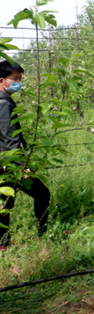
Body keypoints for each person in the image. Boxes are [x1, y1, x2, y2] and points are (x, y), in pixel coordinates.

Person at [0, 60, 51, 250]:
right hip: (11, 164)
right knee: (42, 194)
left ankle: (3, 246)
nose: (18, 83)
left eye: (20, 79)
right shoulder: (3, 104)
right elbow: (9, 137)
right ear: (1, 80)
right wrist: (23, 166)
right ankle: (42, 235)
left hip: (3, 163)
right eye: (14, 79)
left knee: (4, 204)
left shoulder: (4, 101)